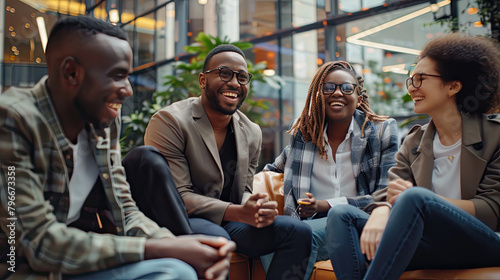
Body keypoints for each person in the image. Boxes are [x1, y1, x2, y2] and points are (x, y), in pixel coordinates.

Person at [0, 16, 235, 280]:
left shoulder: (102, 120)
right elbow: (36, 242)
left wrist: (179, 247)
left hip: (75, 263)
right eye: (118, 76)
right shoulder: (12, 120)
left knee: (180, 269)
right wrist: (157, 248)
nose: (128, 90)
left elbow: (124, 208)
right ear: (71, 73)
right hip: (21, 270)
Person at [326, 33, 500, 280]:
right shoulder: (415, 141)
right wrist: (383, 209)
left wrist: (426, 203)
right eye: (411, 80)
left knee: (416, 197)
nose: (412, 88)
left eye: (420, 79)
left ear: (454, 85)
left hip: (484, 242)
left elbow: (492, 210)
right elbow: (389, 193)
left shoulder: (495, 136)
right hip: (433, 243)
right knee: (341, 215)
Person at [144, 44, 312, 279]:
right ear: (203, 80)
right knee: (217, 239)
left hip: (229, 221)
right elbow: (177, 196)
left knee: (298, 231)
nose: (234, 83)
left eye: (242, 77)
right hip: (179, 219)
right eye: (224, 73)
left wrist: (255, 206)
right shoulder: (170, 121)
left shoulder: (252, 131)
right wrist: (239, 212)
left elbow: (243, 190)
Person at [262, 60, 399, 279]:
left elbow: (385, 194)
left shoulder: (382, 131)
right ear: (318, 95)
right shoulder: (304, 135)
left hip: (359, 223)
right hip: (305, 224)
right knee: (274, 232)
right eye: (328, 87)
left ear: (359, 97)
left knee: (301, 235)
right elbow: (273, 169)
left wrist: (326, 206)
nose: (337, 93)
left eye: (346, 88)